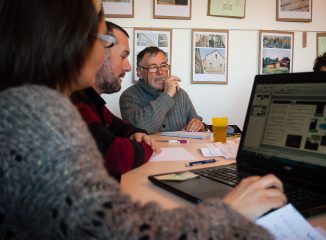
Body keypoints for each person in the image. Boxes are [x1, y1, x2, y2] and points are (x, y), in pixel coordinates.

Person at [0, 0, 287, 238]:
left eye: (165, 66)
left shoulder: (38, 105)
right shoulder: (40, 114)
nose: (114, 58)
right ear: (68, 40)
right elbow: (116, 228)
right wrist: (230, 214)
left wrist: (194, 121)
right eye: (105, 40)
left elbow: (130, 128)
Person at [71, 21, 160, 180]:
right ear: (97, 54)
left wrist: (137, 134)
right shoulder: (75, 104)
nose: (128, 67)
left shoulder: (93, 102)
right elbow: (117, 157)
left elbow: (124, 127)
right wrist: (147, 145)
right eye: (123, 56)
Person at [120, 46, 206, 134]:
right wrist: (167, 95)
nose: (160, 72)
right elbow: (138, 128)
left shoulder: (181, 94)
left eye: (164, 66)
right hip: (147, 148)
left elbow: (197, 123)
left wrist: (199, 125)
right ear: (139, 72)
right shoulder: (128, 96)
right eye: (153, 67)